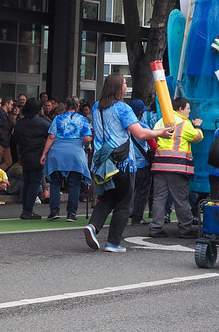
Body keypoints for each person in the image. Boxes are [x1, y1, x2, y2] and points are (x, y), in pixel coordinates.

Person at [84, 73, 173, 253]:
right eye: (125, 83)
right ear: (118, 87)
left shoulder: (96, 107)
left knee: (108, 198)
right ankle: (113, 242)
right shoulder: (123, 108)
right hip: (122, 161)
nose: (126, 85)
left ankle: (93, 227)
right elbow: (139, 133)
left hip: (102, 161)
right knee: (124, 202)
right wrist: (160, 133)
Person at [148, 96, 203, 239]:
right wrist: (197, 125)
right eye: (188, 108)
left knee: (159, 198)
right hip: (176, 167)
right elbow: (197, 137)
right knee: (181, 199)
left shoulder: (162, 120)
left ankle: (155, 228)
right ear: (180, 109)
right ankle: (185, 229)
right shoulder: (184, 124)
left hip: (159, 165)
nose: (190, 111)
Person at [40, 96, 92, 222]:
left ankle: (54, 210)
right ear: (78, 106)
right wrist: (88, 144)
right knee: (74, 183)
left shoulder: (58, 118)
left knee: (55, 182)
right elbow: (86, 138)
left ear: (65, 106)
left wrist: (44, 153)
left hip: (57, 152)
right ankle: (71, 213)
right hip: (75, 153)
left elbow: (51, 136)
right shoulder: (82, 119)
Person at [14, 97, 50, 220]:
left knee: (28, 181)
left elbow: (15, 139)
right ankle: (28, 210)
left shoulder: (20, 123)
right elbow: (52, 132)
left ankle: (26, 208)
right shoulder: (42, 123)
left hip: (25, 155)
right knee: (34, 183)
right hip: (38, 155)